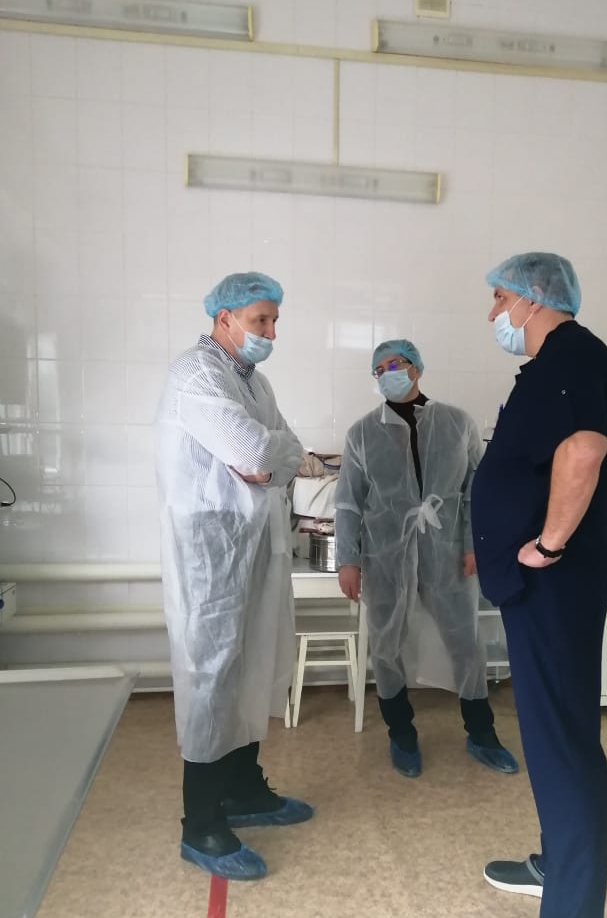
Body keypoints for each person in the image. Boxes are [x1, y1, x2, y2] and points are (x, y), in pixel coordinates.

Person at [471, 253, 607, 918]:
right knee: (551, 734)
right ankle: (556, 864)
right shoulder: (558, 363)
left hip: (554, 582)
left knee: (563, 743)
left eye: (500, 298)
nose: (494, 313)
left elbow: (584, 451)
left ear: (535, 298)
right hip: (542, 585)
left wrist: (549, 544)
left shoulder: (573, 356)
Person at [155, 271, 314, 881]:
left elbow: (289, 452)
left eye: (273, 320)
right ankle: (201, 823)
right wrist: (271, 458)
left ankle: (245, 789)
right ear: (224, 319)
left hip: (253, 543)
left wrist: (272, 459)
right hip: (210, 551)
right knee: (212, 674)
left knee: (252, 663)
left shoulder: (254, 381)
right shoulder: (196, 374)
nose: (271, 332)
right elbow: (255, 455)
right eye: (259, 321)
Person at [334, 339, 519, 778]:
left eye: (395, 364)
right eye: (379, 370)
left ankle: (482, 733)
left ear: (416, 367)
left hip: (449, 549)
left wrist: (474, 544)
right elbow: (348, 503)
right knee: (386, 644)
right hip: (385, 555)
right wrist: (348, 560)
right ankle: (401, 733)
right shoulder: (362, 434)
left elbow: (477, 490)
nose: (387, 374)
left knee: (465, 641)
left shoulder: (456, 423)